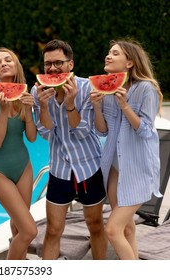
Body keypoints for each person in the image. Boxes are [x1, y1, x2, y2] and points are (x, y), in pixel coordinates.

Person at [31, 39, 108, 260]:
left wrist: (71, 103)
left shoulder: (85, 88)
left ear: (70, 64)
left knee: (95, 225)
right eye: (47, 64)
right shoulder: (38, 92)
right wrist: (44, 107)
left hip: (89, 167)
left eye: (58, 63)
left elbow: (82, 131)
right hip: (59, 169)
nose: (52, 69)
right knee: (53, 229)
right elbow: (45, 133)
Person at [90, 38, 163, 260]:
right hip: (114, 167)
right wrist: (96, 107)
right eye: (109, 52)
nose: (108, 56)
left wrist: (124, 105)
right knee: (127, 229)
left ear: (129, 63)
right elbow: (103, 131)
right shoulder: (109, 90)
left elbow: (145, 130)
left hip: (138, 168)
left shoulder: (145, 89)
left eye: (115, 53)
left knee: (112, 230)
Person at [0, 47, 38, 260]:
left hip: (24, 167)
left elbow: (31, 138)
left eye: (8, 60)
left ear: (16, 67)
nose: (3, 64)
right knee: (30, 230)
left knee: (18, 228)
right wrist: (3, 111)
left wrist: (29, 111)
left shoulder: (24, 94)